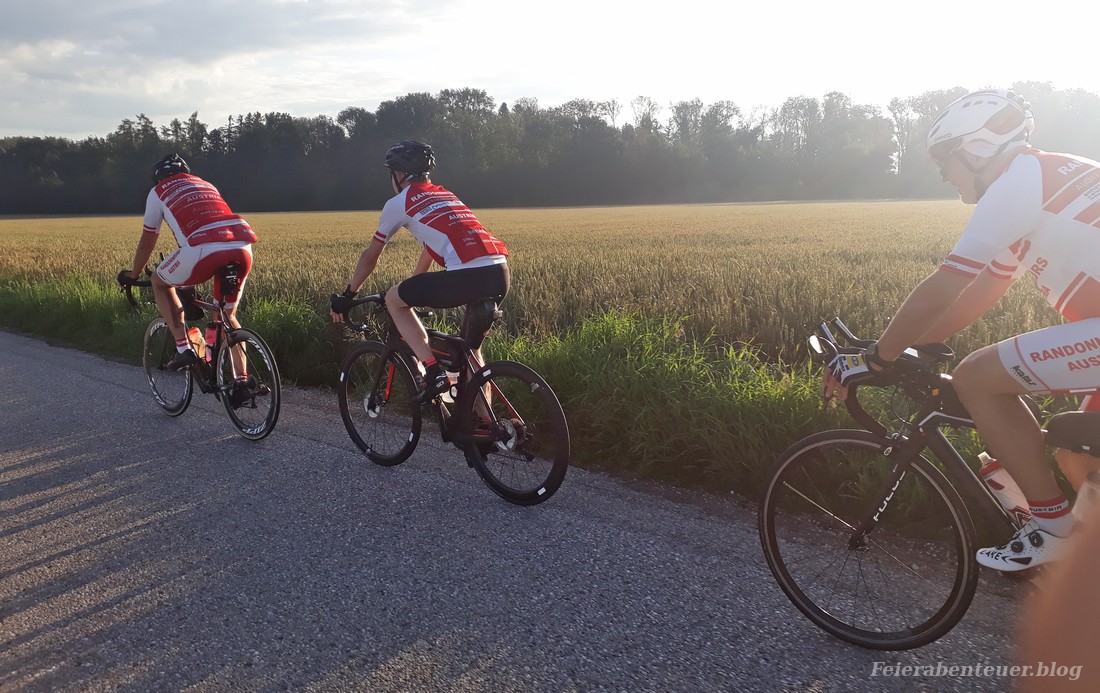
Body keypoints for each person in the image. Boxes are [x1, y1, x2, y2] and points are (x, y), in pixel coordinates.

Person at [824, 89, 1100, 571]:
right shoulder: (1049, 173)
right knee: (1080, 459)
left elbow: (944, 286)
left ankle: (1053, 528)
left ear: (976, 149)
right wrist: (903, 346)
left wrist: (877, 358)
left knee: (975, 377)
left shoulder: (1016, 185)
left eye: (943, 158)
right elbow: (980, 293)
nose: (941, 172)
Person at [330, 140, 509, 401]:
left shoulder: (400, 202)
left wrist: (348, 295)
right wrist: (414, 288)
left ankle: (433, 371)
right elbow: (430, 247)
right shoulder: (446, 195)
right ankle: (487, 430)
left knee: (393, 299)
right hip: (499, 272)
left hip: (466, 276)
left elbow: (371, 256)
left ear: (399, 174)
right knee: (471, 356)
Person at [118, 154, 258, 374]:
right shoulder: (206, 184)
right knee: (226, 316)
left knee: (159, 282)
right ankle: (242, 381)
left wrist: (134, 274)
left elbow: (148, 238)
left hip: (202, 250)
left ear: (158, 178)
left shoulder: (158, 191)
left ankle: (185, 349)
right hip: (241, 246)